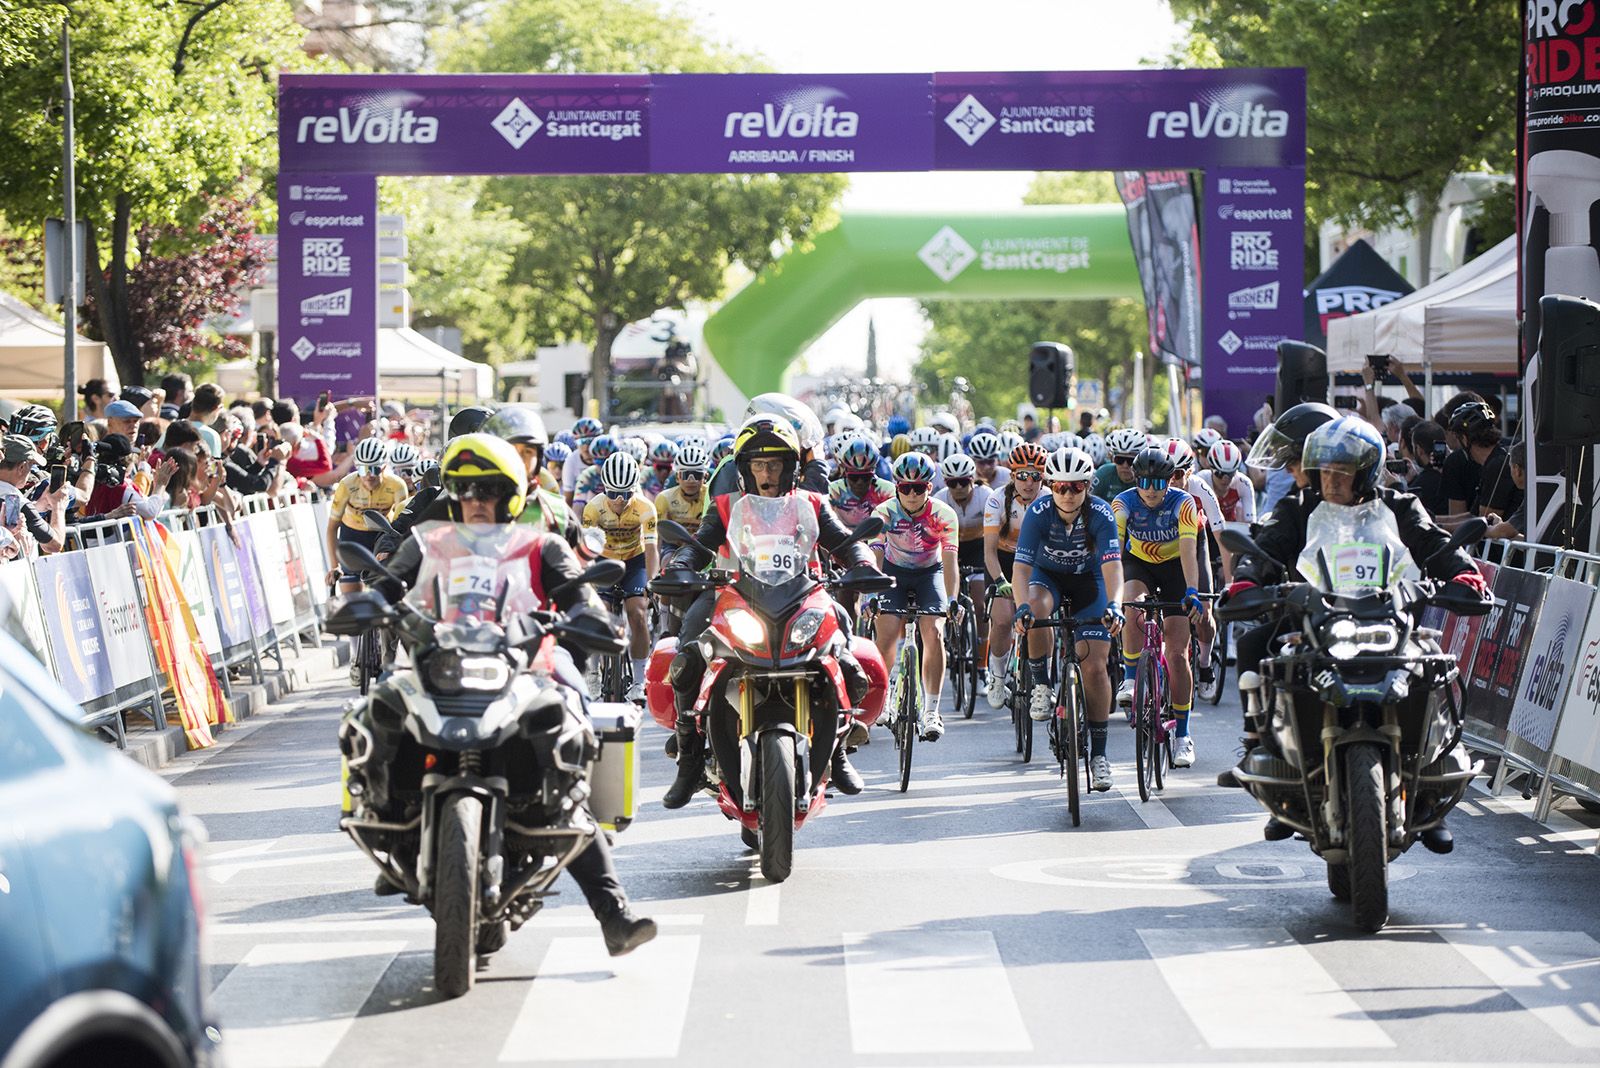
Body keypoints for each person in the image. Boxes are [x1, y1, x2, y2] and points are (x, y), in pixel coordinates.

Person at [376, 433, 656, 956]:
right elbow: (387, 586)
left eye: (488, 490)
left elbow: (581, 594)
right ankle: (392, 832)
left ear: (510, 496)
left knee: (570, 734)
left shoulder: (540, 545)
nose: (476, 501)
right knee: (376, 712)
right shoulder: (429, 542)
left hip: (526, 667)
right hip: (439, 665)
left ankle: (613, 913)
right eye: (465, 491)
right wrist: (367, 602)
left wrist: (590, 618)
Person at [1221, 416, 1488, 850]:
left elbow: (1433, 544)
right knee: (1265, 649)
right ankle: (1268, 752)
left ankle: (1430, 789)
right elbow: (1267, 546)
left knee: (1433, 669)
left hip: (1390, 618)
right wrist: (1248, 580)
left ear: (1364, 474)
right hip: (1320, 617)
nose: (1330, 481)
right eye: (1324, 471)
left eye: (1341, 473)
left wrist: (1463, 575)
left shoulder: (1401, 506)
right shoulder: (1299, 506)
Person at [658, 415, 881, 806]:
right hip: (735, 594)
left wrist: (863, 562)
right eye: (758, 464)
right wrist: (679, 565)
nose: (767, 473)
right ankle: (689, 757)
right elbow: (698, 545)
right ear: (745, 470)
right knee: (687, 654)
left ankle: (838, 748)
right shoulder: (727, 506)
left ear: (790, 467)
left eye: (775, 464)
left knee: (847, 650)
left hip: (803, 594)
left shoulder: (812, 502)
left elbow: (844, 542)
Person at [1011, 446, 1123, 790]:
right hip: (1049, 578)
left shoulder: (1101, 514)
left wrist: (1115, 604)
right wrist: (1021, 608)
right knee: (1036, 608)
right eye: (1061, 486)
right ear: (1050, 485)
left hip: (1090, 582)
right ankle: (1042, 684)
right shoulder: (1038, 512)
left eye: (1076, 486)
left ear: (1088, 486)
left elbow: (1112, 566)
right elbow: (1021, 567)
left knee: (1094, 666)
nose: (1068, 494)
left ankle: (1100, 755)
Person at [1112, 445, 1206, 768]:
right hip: (1139, 563)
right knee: (1133, 605)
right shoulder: (1123, 502)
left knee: (1178, 654)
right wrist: (1109, 594)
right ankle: (1128, 677)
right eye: (1145, 483)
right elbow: (1114, 551)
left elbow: (1188, 550)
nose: (1152, 491)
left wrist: (1192, 590)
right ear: (1136, 480)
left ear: (1170, 482)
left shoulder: (1183, 503)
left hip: (1175, 567)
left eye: (1159, 483)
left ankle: (1183, 735)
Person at [870, 451, 960, 743]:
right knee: (885, 633)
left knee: (933, 632)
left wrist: (952, 600)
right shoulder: (883, 513)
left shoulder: (944, 515)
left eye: (918, 487)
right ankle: (882, 698)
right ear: (896, 486)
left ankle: (932, 711)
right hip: (893, 573)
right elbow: (875, 554)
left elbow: (949, 562)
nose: (911, 493)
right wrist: (870, 594)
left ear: (929, 488)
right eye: (905, 487)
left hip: (929, 573)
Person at [580, 452, 657, 702]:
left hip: (635, 561)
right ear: (605, 490)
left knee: (638, 614)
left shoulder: (645, 507)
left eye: (626, 493)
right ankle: (592, 674)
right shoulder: (594, 509)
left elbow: (652, 549)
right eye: (613, 494)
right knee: (598, 615)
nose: (620, 500)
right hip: (605, 559)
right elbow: (587, 550)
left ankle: (637, 680)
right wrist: (587, 580)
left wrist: (651, 583)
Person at [982, 442, 1047, 709]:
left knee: (1041, 618)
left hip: (1035, 561)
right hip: (1003, 561)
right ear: (1012, 476)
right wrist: (1000, 582)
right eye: (1022, 475)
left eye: (1036, 476)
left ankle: (1044, 681)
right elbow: (988, 553)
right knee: (1002, 620)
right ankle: (997, 677)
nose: (1029, 483)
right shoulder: (997, 499)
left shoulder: (1049, 499)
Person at [325, 436, 408, 606]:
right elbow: (332, 528)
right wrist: (335, 566)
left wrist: (394, 550)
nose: (369, 475)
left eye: (375, 469)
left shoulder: (397, 486)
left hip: (382, 536)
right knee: (353, 602)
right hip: (352, 537)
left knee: (386, 596)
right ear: (356, 467)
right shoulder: (347, 484)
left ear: (384, 467)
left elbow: (403, 524)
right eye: (363, 470)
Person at [481, 405, 576, 543]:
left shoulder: (556, 510)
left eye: (528, 452)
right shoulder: (473, 502)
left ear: (538, 458)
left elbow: (579, 559)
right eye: (511, 450)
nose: (519, 459)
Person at [933, 453, 992, 628]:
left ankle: (982, 652)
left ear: (973, 479)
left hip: (977, 548)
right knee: (944, 601)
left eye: (964, 481)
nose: (958, 487)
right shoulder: (940, 500)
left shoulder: (986, 496)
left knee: (980, 605)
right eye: (952, 483)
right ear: (945, 483)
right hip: (950, 549)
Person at [653, 442, 710, 536]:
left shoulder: (712, 497)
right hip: (674, 544)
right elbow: (657, 535)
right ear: (677, 477)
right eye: (685, 475)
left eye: (697, 475)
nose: (691, 481)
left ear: (705, 477)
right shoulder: (664, 498)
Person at [1093, 428, 1145, 502]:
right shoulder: (1103, 474)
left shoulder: (1148, 479)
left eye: (1131, 461)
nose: (1125, 465)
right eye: (1119, 459)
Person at [562, 416, 605, 502]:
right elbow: (568, 499)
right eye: (581, 442)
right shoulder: (571, 461)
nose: (585, 448)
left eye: (590, 441)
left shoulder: (607, 455)